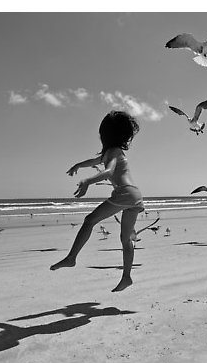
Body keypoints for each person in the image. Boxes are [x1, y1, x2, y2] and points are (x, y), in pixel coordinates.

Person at [50, 111, 144, 292]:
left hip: (124, 194)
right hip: (135, 196)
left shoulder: (113, 152)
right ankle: (126, 277)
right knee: (126, 240)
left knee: (90, 220)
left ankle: (71, 257)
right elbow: (93, 161)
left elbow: (108, 171)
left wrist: (88, 181)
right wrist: (78, 165)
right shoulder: (113, 152)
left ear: (105, 135)